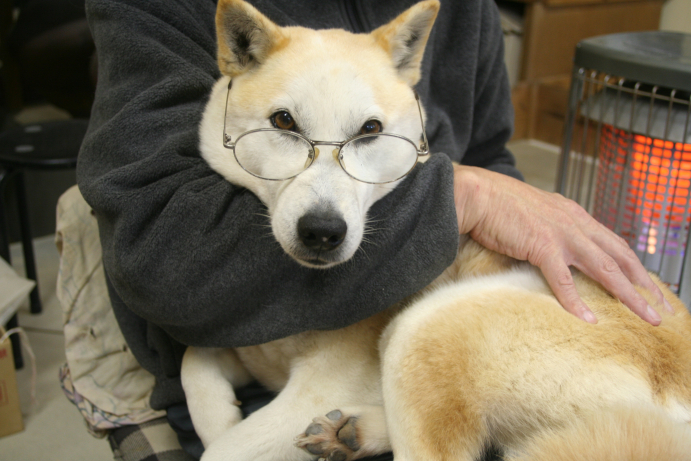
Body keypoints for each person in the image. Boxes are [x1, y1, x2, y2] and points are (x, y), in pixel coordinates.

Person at [79, 0, 668, 458]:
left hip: (601, 366)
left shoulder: (464, 12)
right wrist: (460, 197)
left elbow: (491, 155)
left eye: (368, 134)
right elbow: (152, 241)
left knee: (423, 345)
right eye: (285, 124)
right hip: (394, 377)